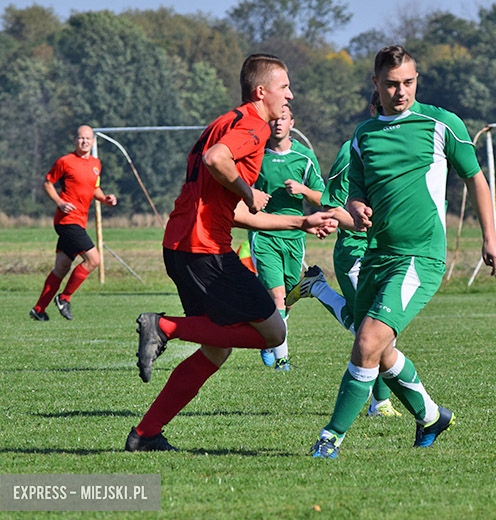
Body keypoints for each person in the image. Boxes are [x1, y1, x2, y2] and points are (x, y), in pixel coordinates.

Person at [125, 53, 336, 452]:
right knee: (274, 332)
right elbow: (217, 162)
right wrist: (248, 189)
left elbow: (236, 211)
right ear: (261, 91)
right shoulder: (253, 126)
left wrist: (300, 222)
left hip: (183, 246)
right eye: (284, 86)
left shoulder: (222, 123)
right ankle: (164, 327)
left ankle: (145, 434)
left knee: (217, 348)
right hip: (207, 251)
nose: (290, 95)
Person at [310, 45, 496, 459]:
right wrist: (354, 207)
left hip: (421, 256)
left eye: (408, 83)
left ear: (416, 80)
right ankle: (431, 415)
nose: (401, 92)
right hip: (377, 256)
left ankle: (331, 437)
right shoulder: (363, 136)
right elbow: (356, 199)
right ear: (375, 85)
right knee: (380, 353)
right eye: (392, 84)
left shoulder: (441, 123)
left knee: (366, 340)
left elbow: (476, 179)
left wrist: (490, 238)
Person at [286, 93, 402, 417]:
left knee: (381, 327)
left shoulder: (400, 150)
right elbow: (331, 205)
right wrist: (365, 223)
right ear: (371, 110)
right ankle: (380, 404)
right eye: (382, 110)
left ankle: (317, 287)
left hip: (386, 252)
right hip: (354, 251)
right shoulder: (352, 151)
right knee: (370, 330)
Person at [248, 106, 324, 371]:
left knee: (290, 297)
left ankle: (270, 337)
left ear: (292, 122)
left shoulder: (304, 157)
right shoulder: (256, 155)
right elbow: (240, 186)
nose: (278, 123)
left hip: (294, 236)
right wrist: (251, 196)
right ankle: (282, 359)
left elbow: (323, 198)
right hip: (264, 233)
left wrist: (303, 189)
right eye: (274, 119)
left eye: (284, 118)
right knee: (278, 296)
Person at [29, 125, 118, 322]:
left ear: (93, 141)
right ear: (75, 141)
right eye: (80, 138)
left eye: (87, 138)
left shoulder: (96, 163)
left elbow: (95, 188)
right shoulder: (65, 161)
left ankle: (38, 309)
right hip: (67, 221)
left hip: (79, 222)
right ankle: (64, 298)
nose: (84, 141)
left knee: (61, 267)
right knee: (93, 260)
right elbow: (47, 183)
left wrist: (105, 199)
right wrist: (60, 203)